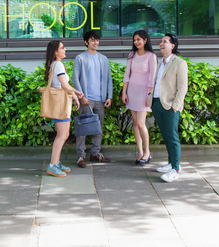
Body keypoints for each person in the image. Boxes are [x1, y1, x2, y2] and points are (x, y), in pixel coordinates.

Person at [72, 30, 114, 168]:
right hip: (86, 100)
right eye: (92, 40)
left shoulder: (104, 59)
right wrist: (81, 96)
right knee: (83, 129)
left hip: (100, 100)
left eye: (97, 40)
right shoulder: (80, 58)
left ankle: (95, 153)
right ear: (86, 42)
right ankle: (81, 156)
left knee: (98, 128)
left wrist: (109, 96)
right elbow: (75, 79)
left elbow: (108, 80)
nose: (95, 42)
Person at [152, 33, 188, 183]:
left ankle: (176, 169)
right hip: (157, 104)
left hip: (170, 106)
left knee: (172, 138)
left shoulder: (179, 63)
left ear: (172, 46)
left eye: (165, 42)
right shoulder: (161, 63)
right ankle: (170, 163)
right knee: (166, 136)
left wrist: (175, 106)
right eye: (161, 41)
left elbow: (182, 88)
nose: (161, 44)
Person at [44, 40, 83, 178]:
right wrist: (78, 93)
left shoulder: (55, 64)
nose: (65, 49)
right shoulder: (58, 64)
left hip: (60, 103)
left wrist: (75, 97)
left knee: (63, 135)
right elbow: (65, 86)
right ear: (56, 51)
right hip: (60, 105)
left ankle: (56, 162)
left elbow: (63, 86)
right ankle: (53, 165)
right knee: (62, 135)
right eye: (62, 48)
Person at [120, 30, 157, 166]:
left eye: (139, 39)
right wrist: (124, 92)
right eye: (135, 40)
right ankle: (140, 152)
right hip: (132, 91)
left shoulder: (151, 56)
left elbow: (153, 77)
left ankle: (147, 152)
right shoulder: (132, 55)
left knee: (141, 123)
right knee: (135, 123)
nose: (136, 42)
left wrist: (150, 94)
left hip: (144, 92)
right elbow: (127, 75)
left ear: (145, 40)